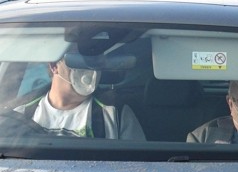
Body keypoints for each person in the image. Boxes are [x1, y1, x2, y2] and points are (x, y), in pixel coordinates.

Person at [14, 56, 145, 139]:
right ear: (54, 66)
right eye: (77, 60)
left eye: (95, 61)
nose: (89, 68)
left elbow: (139, 168)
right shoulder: (19, 113)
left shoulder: (115, 113)